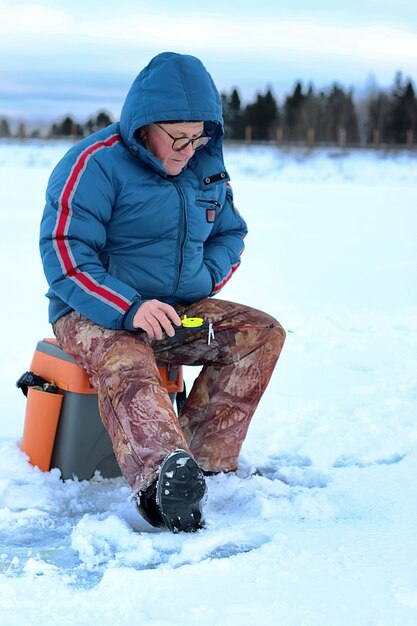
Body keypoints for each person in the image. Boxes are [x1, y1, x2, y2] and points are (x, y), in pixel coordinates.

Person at [40, 51, 286, 533]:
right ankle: (161, 485)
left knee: (260, 334)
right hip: (92, 310)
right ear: (144, 127)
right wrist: (128, 307)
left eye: (197, 137)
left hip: (176, 310)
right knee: (129, 358)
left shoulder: (206, 168)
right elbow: (65, 256)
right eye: (177, 137)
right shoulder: (95, 164)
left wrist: (202, 279)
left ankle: (201, 464)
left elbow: (230, 233)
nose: (187, 149)